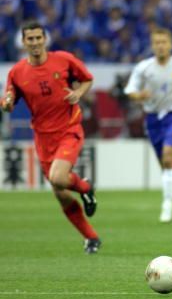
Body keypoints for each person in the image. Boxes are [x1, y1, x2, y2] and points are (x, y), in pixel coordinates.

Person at [0, 21, 100, 254]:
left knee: (58, 177)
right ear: (23, 43)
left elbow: (87, 79)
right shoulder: (17, 72)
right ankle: (91, 237)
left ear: (45, 39)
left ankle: (86, 188)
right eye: (30, 39)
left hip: (68, 129)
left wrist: (78, 93)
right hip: (43, 138)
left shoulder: (64, 60)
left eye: (38, 38)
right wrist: (5, 105)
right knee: (60, 193)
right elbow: (9, 102)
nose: (34, 43)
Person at [124, 27, 172, 223]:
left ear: (170, 45)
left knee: (168, 157)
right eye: (157, 42)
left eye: (163, 42)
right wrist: (139, 96)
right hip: (153, 118)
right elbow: (130, 89)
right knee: (165, 165)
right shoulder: (144, 68)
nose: (160, 46)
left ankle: (167, 206)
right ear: (152, 45)